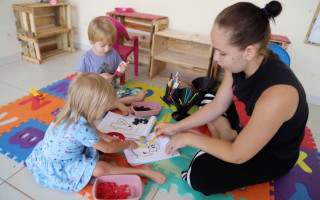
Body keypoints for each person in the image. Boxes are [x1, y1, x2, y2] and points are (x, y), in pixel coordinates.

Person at [155, 1, 308, 195]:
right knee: (207, 97)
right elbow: (218, 104)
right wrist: (176, 127)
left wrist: (188, 138)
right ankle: (225, 135)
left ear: (249, 51)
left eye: (223, 52)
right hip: (247, 124)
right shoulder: (240, 63)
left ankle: (223, 137)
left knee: (198, 175)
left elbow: (237, 155)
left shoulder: (278, 95)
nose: (217, 58)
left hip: (269, 155)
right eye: (216, 49)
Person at [25, 73, 166, 192]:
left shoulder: (73, 110)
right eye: (105, 108)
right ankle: (142, 172)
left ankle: (89, 168)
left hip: (50, 153)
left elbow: (89, 130)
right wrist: (127, 143)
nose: (107, 110)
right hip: (61, 165)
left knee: (100, 148)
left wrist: (104, 136)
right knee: (102, 169)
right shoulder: (80, 127)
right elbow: (107, 147)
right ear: (90, 108)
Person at [76, 17, 145, 116]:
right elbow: (80, 82)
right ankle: (115, 104)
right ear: (91, 40)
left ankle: (112, 104)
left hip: (113, 91)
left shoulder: (113, 53)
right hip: (95, 95)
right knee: (91, 111)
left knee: (141, 94)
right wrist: (99, 78)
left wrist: (122, 70)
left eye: (110, 44)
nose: (107, 48)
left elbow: (118, 75)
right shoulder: (86, 58)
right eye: (103, 45)